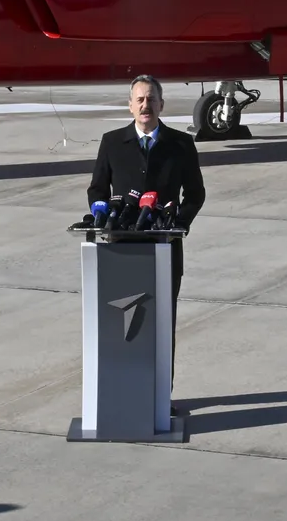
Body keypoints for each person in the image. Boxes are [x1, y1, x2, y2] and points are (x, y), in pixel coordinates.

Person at [86, 74, 205, 410]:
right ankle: (124, 395)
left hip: (164, 248)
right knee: (124, 325)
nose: (145, 105)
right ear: (130, 105)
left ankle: (158, 400)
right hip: (121, 250)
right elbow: (97, 189)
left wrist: (177, 223)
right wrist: (104, 215)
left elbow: (195, 194)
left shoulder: (180, 144)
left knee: (161, 325)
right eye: (139, 99)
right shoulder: (112, 142)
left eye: (151, 99)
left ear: (161, 105)